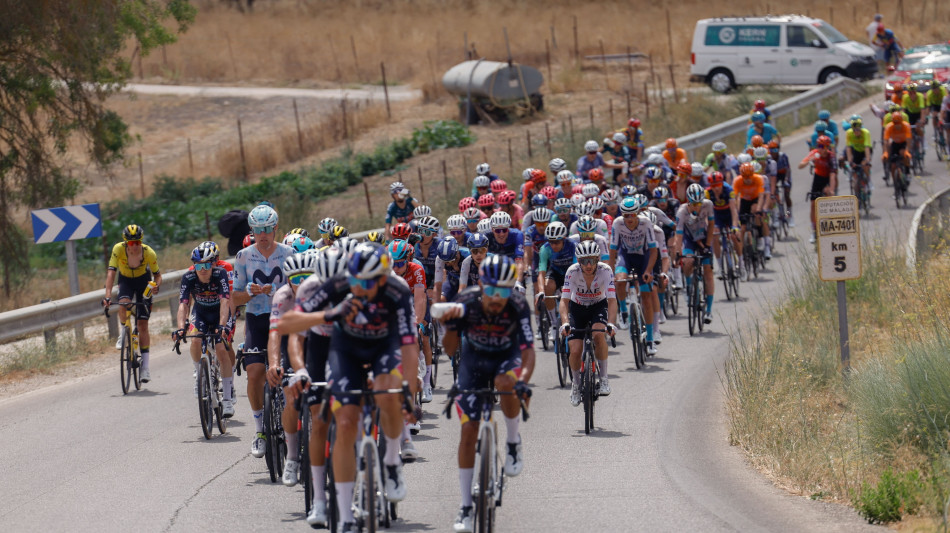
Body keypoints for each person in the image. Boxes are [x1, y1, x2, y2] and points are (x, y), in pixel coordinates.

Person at [278, 242, 419, 533]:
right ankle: (342, 515)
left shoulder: (397, 290)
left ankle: (392, 460)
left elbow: (408, 344)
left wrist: (409, 391)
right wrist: (328, 314)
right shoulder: (338, 283)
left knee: (388, 390)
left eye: (365, 282)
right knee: (342, 422)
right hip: (344, 351)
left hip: (383, 346)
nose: (357, 287)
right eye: (353, 280)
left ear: (382, 278)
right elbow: (288, 325)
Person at [438, 254, 534, 533]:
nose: (497, 297)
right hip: (474, 361)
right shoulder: (464, 301)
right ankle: (466, 506)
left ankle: (513, 442)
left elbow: (528, 351)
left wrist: (523, 381)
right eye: (492, 289)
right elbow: (449, 350)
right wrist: (450, 326)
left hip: (507, 356)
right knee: (468, 433)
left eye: (504, 289)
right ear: (480, 284)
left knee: (508, 383)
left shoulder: (517, 304)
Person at [277, 247, 346, 527]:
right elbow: (295, 336)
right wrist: (301, 370)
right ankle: (319, 501)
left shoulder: (357, 286)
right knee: (319, 420)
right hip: (318, 346)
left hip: (348, 344)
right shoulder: (308, 289)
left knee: (353, 409)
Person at [232, 204, 295, 458]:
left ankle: (294, 427)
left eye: (268, 229)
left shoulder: (289, 253)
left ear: (275, 228)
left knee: (291, 375)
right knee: (255, 373)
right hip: (257, 319)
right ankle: (259, 430)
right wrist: (249, 291)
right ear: (252, 231)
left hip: (285, 320)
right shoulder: (243, 256)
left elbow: (301, 288)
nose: (263, 234)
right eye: (258, 230)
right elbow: (234, 298)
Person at [174, 242, 234, 412]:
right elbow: (183, 305)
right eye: (199, 265)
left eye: (207, 264)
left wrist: (222, 326)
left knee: (221, 348)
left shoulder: (220, 274)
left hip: (219, 314)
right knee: (195, 342)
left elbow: (224, 301)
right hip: (200, 313)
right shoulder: (189, 277)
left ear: (212, 264)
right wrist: (180, 328)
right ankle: (198, 373)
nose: (203, 269)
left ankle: (228, 399)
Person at [101, 224, 162, 383]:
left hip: (144, 282)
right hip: (126, 280)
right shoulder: (118, 249)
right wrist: (107, 295)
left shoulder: (149, 253)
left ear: (141, 242)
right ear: (125, 243)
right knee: (123, 303)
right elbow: (111, 273)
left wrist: (155, 286)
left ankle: (146, 368)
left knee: (143, 325)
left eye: (137, 243)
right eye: (130, 243)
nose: (134, 246)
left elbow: (158, 276)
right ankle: (124, 332)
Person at [560, 240, 617, 405]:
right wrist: (565, 323)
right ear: (578, 261)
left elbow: (612, 301)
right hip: (577, 308)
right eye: (584, 261)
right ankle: (576, 385)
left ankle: (604, 379)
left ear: (598, 259)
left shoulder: (606, 271)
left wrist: (611, 324)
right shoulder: (572, 272)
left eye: (592, 260)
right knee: (576, 349)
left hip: (598, 306)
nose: (589, 264)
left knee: (599, 335)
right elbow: (564, 301)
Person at [609, 196, 658, 354]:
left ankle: (650, 340)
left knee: (646, 298)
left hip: (644, 258)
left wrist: (648, 271)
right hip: (626, 257)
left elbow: (653, 250)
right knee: (620, 281)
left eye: (632, 215)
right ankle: (623, 312)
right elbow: (613, 250)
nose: (629, 219)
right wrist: (611, 272)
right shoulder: (617, 223)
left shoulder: (646, 223)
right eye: (626, 215)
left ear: (638, 213)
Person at [675, 184, 716, 324]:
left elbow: (711, 225)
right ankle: (689, 286)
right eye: (694, 203)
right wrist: (677, 252)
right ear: (688, 201)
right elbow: (678, 235)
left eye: (699, 203)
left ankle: (709, 310)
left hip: (704, 237)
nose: (697, 206)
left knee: (708, 271)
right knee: (687, 261)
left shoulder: (708, 205)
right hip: (689, 239)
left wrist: (708, 245)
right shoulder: (681, 211)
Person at [797, 136, 838, 244]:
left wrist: (832, 190)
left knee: (828, 196)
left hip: (828, 179)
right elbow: (800, 166)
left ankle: (831, 225)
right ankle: (814, 230)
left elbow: (833, 175)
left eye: (825, 147)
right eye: (820, 146)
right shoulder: (815, 153)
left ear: (828, 147)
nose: (822, 149)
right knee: (813, 205)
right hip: (818, 178)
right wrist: (810, 161)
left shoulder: (831, 157)